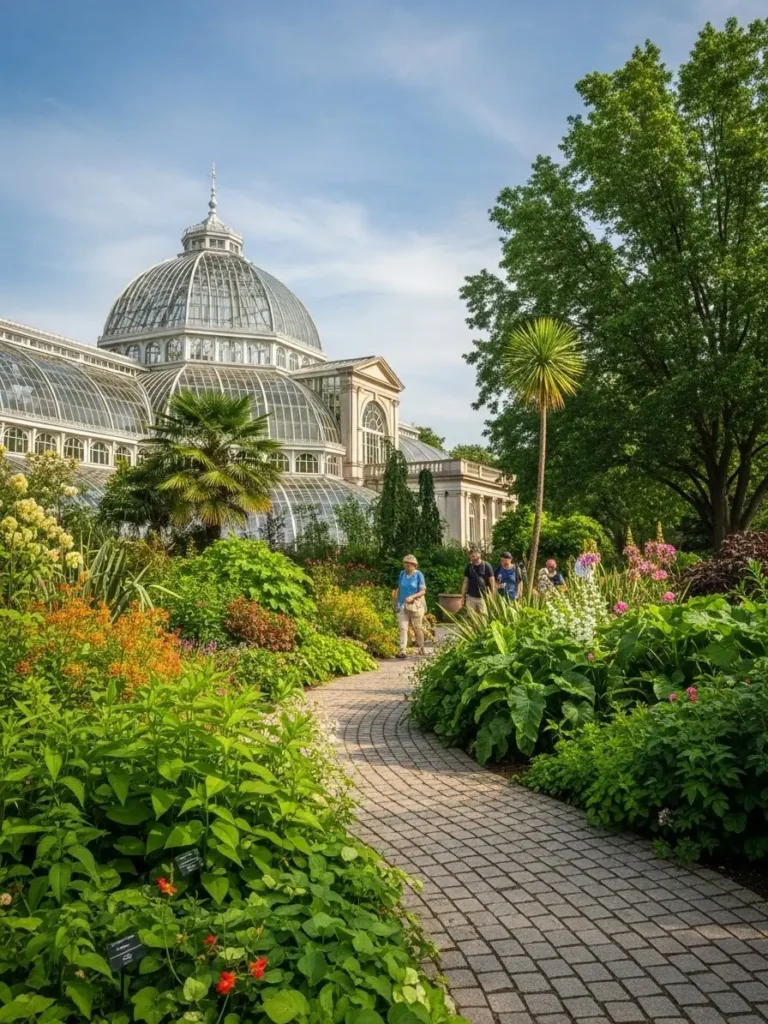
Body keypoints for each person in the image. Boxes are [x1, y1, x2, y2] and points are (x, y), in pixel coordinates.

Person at [392, 554, 426, 659]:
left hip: (415, 605)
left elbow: (422, 591)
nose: (406, 567)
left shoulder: (419, 575)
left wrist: (412, 597)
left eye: (408, 565)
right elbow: (399, 588)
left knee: (417, 628)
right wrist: (396, 602)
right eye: (405, 564)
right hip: (402, 604)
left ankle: (421, 647)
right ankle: (402, 651)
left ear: (414, 565)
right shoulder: (402, 574)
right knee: (403, 628)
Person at [461, 546, 494, 616]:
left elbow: (492, 580)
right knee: (470, 618)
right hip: (470, 597)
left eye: (474, 556)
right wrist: (463, 596)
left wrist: (492, 594)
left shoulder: (486, 565)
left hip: (482, 598)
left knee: (483, 618)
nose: (473, 558)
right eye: (471, 556)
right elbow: (465, 582)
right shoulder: (469, 567)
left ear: (479, 554)